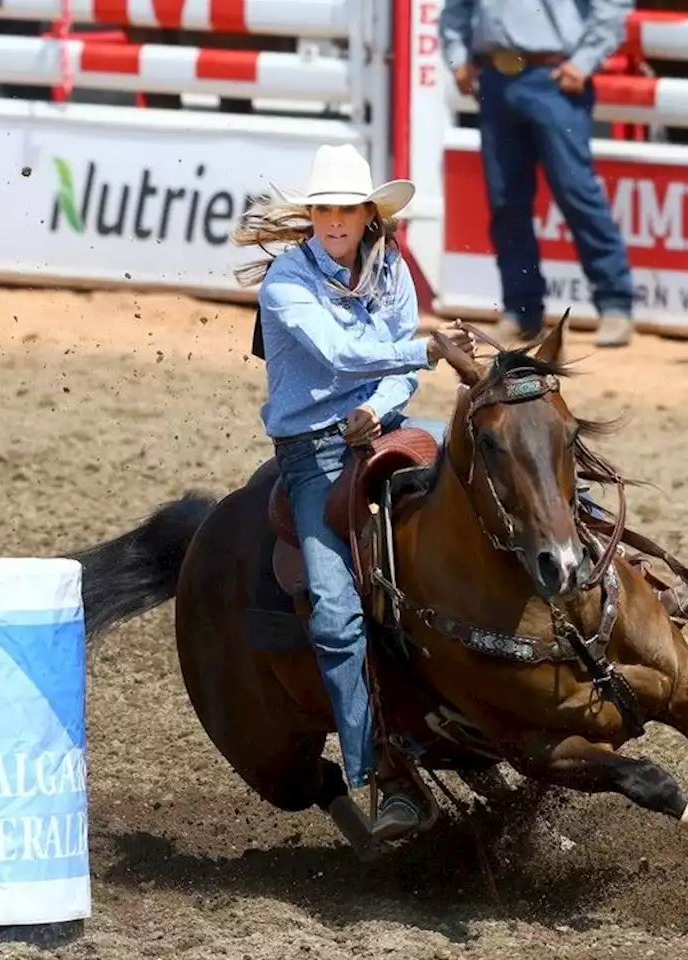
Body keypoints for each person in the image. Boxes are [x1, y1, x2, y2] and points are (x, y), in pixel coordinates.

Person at [231, 143, 477, 842]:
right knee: (336, 613)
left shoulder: (392, 269)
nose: (335, 221)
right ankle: (378, 773)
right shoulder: (284, 284)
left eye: (346, 209)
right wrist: (425, 352)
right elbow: (339, 356)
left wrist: (384, 403)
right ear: (312, 216)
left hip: (390, 426)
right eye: (324, 210)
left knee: (494, 483)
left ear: (369, 214)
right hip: (312, 455)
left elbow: (396, 369)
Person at [440, 0, 638, 348]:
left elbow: (612, 6)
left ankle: (614, 302)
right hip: (498, 79)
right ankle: (521, 310)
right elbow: (456, 9)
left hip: (554, 76)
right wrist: (457, 58)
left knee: (575, 192)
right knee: (505, 201)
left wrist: (584, 62)